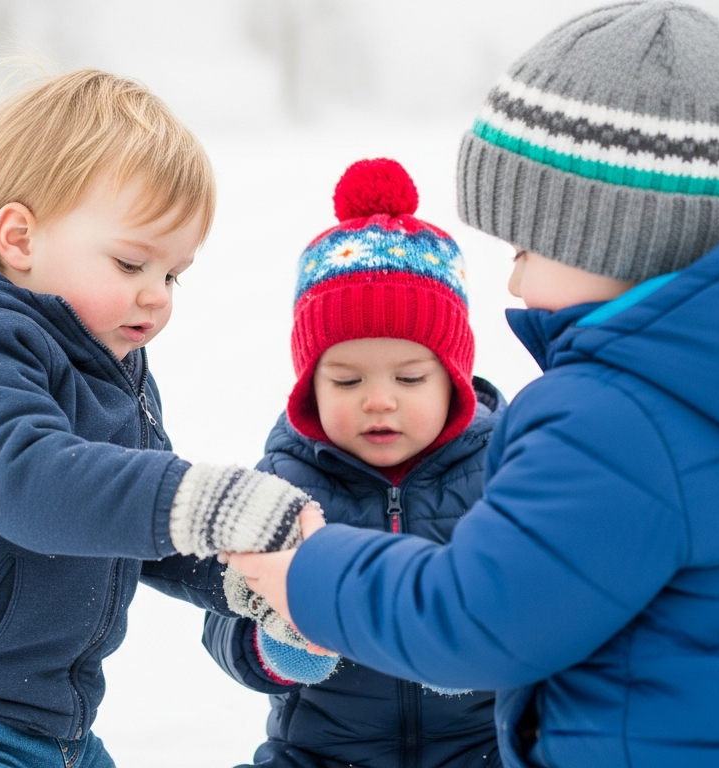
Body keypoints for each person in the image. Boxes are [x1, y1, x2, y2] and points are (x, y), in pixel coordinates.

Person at [227, 3, 719, 766]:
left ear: (615, 231)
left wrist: (308, 572)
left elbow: (476, 617)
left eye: (525, 245)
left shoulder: (620, 413)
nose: (514, 277)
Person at [0, 69, 313, 768]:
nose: (157, 296)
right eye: (131, 262)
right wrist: (217, 503)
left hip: (47, 726)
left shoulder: (107, 365)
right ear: (19, 238)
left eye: (172, 274)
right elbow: (35, 485)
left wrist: (249, 585)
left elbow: (129, 526)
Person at [202, 158, 505, 767]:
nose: (379, 399)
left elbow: (556, 601)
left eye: (410, 376)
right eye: (345, 379)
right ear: (310, 386)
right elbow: (223, 610)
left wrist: (483, 645)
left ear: (454, 380)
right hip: (320, 754)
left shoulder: (502, 474)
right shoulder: (285, 483)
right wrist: (277, 643)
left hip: (482, 752)